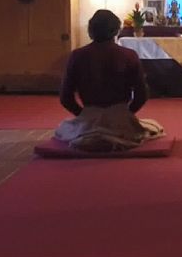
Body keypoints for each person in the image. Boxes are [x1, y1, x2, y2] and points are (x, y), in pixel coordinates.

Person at [54, 9, 164, 151]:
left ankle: (91, 133)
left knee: (63, 129)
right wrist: (127, 114)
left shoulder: (77, 55)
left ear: (90, 30)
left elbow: (65, 97)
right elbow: (142, 95)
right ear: (116, 31)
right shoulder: (129, 55)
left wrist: (84, 115)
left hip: (89, 118)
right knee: (153, 126)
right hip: (119, 119)